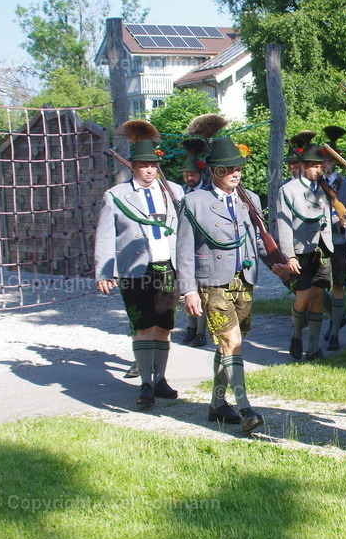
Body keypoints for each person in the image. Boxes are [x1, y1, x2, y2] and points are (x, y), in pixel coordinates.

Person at [177, 131, 271, 433]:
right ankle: (245, 407)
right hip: (212, 283)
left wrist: (278, 263)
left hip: (244, 280)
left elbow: (257, 239)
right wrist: (188, 290)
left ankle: (217, 404)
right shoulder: (194, 202)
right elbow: (184, 250)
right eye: (230, 169)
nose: (236, 173)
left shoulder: (250, 199)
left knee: (228, 347)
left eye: (238, 168)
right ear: (215, 171)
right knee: (233, 342)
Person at [95, 120, 181, 406]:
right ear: (132, 166)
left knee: (164, 326)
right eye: (143, 165)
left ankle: (161, 379)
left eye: (153, 165)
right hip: (135, 271)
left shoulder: (175, 192)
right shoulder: (115, 196)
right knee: (142, 325)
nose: (148, 170)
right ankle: (145, 383)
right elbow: (106, 236)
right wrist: (104, 271)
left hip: (168, 268)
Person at [276, 131, 334, 361]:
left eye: (320, 166)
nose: (319, 170)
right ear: (303, 166)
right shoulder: (288, 190)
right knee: (303, 297)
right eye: (313, 166)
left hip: (321, 250)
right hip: (300, 252)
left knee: (319, 295)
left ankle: (313, 347)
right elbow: (284, 224)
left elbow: (327, 218)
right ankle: (297, 333)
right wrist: (289, 256)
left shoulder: (324, 189)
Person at [320, 127, 346, 351]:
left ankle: (334, 331)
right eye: (322, 161)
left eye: (329, 161)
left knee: (338, 286)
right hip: (319, 243)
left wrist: (340, 218)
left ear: (335, 162)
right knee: (317, 288)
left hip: (340, 243)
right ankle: (336, 318)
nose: (325, 165)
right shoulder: (314, 184)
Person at [177, 148, 210, 348]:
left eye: (192, 174)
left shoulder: (206, 192)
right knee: (184, 289)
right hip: (183, 243)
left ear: (200, 174)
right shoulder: (179, 192)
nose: (189, 177)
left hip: (202, 245)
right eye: (186, 174)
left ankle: (201, 331)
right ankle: (190, 325)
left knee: (201, 291)